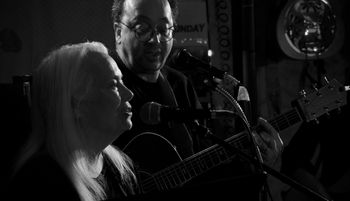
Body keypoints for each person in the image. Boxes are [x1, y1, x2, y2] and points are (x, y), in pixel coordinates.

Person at [110, 0, 283, 199]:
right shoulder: (103, 84)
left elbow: (203, 172)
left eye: (164, 29)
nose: (155, 40)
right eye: (142, 28)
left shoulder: (179, 85)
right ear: (118, 32)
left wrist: (255, 162)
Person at [6, 41, 138, 201]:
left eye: (122, 81)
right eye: (113, 85)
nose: (129, 94)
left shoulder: (121, 170)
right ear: (75, 105)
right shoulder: (39, 181)